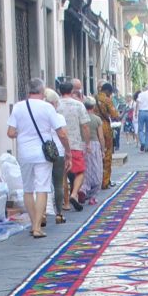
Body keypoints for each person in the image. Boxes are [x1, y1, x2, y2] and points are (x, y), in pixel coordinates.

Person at [8, 77, 68, 238]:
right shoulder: (48, 108)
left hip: (24, 153)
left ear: (28, 91)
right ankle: (36, 227)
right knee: (42, 188)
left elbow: (10, 133)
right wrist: (67, 149)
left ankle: (34, 222)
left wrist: (23, 133)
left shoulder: (18, 107)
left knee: (28, 189)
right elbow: (61, 132)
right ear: (42, 92)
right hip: (43, 153)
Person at [56, 83, 88, 212]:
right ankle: (74, 194)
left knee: (62, 174)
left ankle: (66, 203)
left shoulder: (56, 105)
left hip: (59, 143)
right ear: (72, 91)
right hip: (75, 143)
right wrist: (87, 142)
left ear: (59, 91)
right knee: (80, 172)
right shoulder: (78, 105)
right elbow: (85, 126)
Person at [94, 82, 119, 188]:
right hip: (104, 126)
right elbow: (115, 115)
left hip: (93, 125)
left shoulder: (93, 97)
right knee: (107, 154)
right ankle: (105, 181)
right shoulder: (107, 100)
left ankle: (96, 179)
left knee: (95, 155)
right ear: (108, 91)